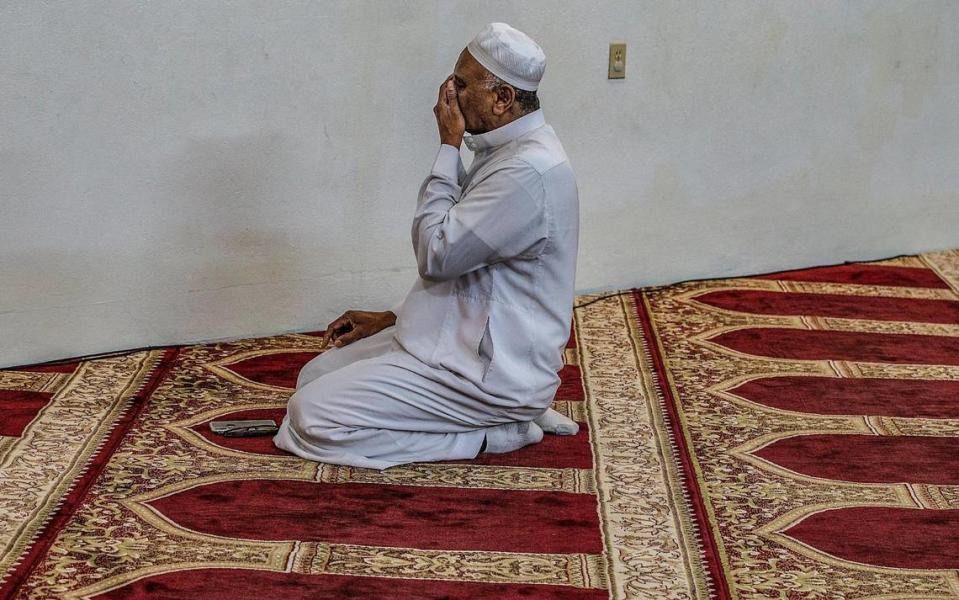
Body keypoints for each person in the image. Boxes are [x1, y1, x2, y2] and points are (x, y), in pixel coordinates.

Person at [273, 22, 580, 470]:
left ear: (502, 99)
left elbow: (437, 256)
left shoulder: (527, 172)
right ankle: (480, 422)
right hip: (462, 348)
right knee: (314, 377)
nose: (447, 93)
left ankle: (491, 434)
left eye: (461, 83)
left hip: (490, 376)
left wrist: (448, 148)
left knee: (310, 417)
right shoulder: (508, 151)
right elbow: (477, 273)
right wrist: (394, 318)